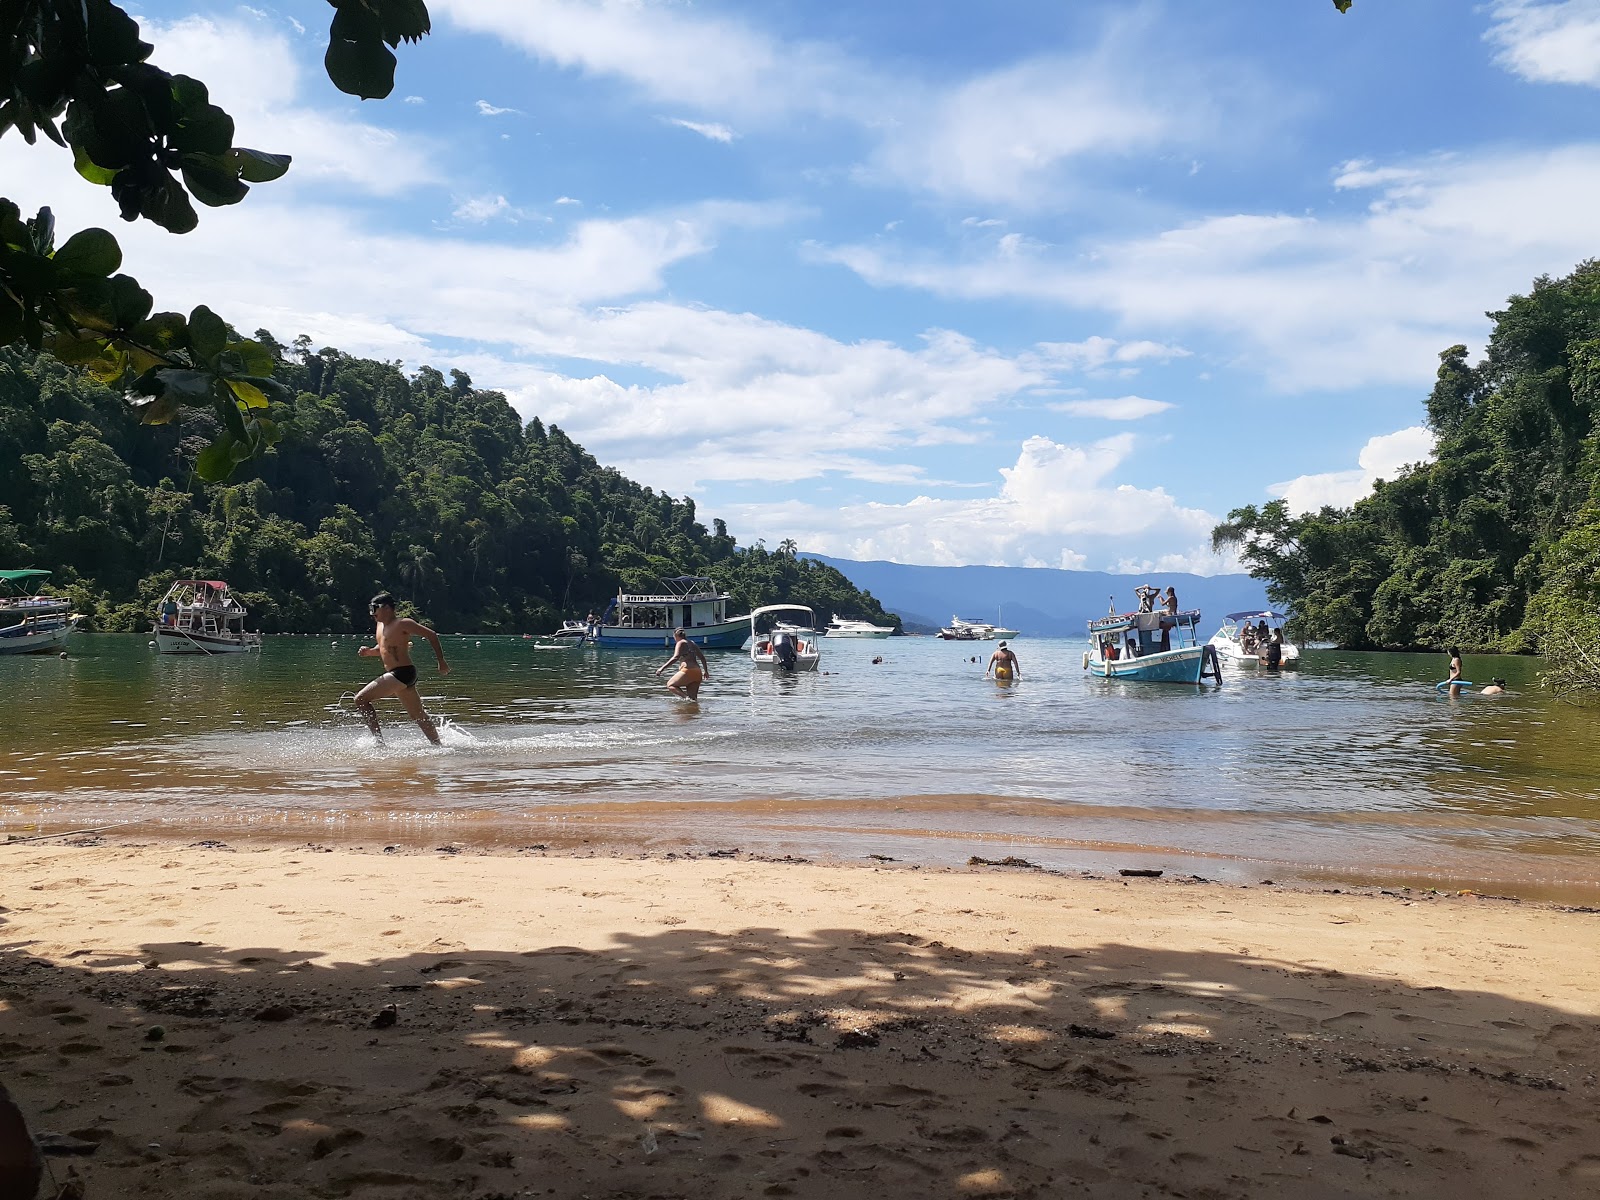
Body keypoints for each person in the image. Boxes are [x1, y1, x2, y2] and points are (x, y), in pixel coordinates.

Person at [354, 592, 450, 744]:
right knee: (418, 715)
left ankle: (379, 743)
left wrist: (441, 661)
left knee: (360, 699)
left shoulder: (403, 624)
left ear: (386, 608)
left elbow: (432, 635)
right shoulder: (380, 626)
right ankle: (438, 746)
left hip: (402, 673)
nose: (372, 613)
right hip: (398, 675)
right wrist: (370, 652)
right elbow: (385, 648)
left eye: (374, 609)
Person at [656, 627, 709, 699]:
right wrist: (705, 671)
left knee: (670, 685)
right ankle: (692, 708)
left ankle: (685, 698)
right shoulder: (692, 643)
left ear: (676, 636)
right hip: (697, 672)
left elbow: (675, 657)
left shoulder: (680, 643)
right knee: (693, 699)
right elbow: (702, 658)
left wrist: (661, 669)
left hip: (688, 670)